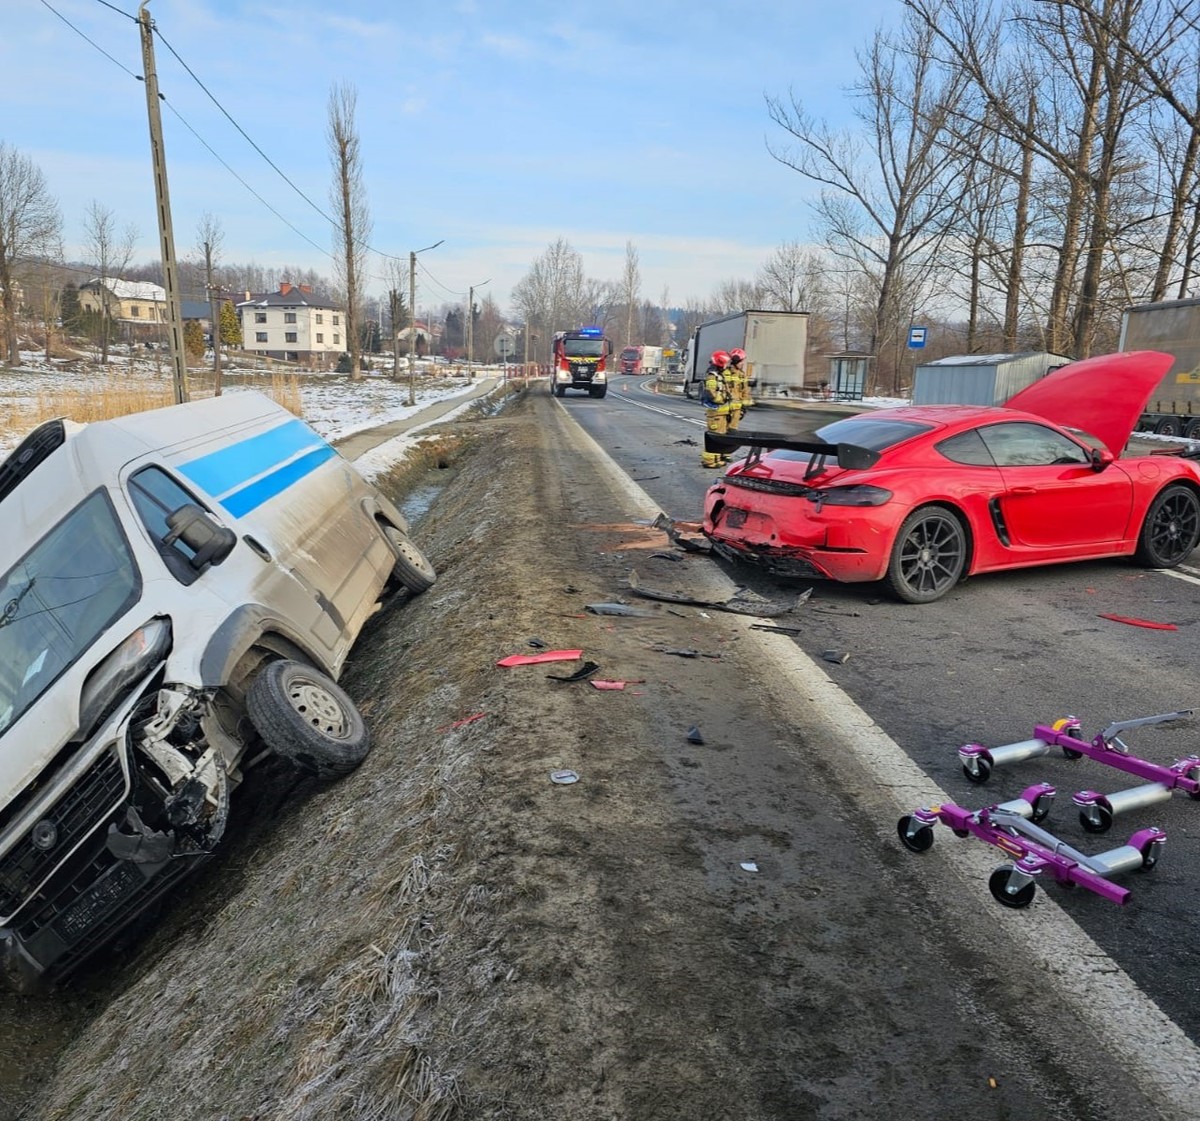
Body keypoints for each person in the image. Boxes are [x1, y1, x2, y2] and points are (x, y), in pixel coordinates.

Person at [700, 350, 732, 468]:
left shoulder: (719, 374)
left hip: (721, 413)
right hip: (715, 413)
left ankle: (716, 459)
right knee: (714, 437)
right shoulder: (712, 376)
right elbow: (711, 393)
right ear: (720, 363)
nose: (727, 365)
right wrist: (723, 398)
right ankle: (709, 462)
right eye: (726, 363)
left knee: (719, 437)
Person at [726, 348, 754, 429]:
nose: (742, 364)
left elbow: (745, 391)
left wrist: (744, 408)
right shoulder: (726, 373)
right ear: (736, 361)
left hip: (737, 410)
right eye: (741, 361)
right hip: (726, 410)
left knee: (733, 430)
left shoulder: (742, 375)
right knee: (723, 431)